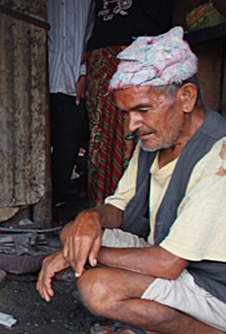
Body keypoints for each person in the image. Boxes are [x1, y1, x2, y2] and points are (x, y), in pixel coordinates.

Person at [38, 27, 226, 334]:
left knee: (98, 288)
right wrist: (90, 220)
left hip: (224, 292)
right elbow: (119, 208)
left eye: (142, 110)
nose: (132, 125)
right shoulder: (159, 138)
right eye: (126, 113)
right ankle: (150, 323)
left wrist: (83, 254)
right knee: (73, 232)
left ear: (185, 97)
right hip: (177, 263)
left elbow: (168, 265)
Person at [82, 0, 176, 205]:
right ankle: (108, 204)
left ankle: (127, 205)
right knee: (107, 134)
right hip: (106, 54)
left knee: (133, 132)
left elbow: (162, 16)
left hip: (136, 51)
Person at [47, 0, 92, 209]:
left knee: (68, 147)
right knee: (41, 144)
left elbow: (91, 33)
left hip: (73, 79)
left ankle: (52, 203)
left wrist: (84, 72)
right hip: (44, 77)